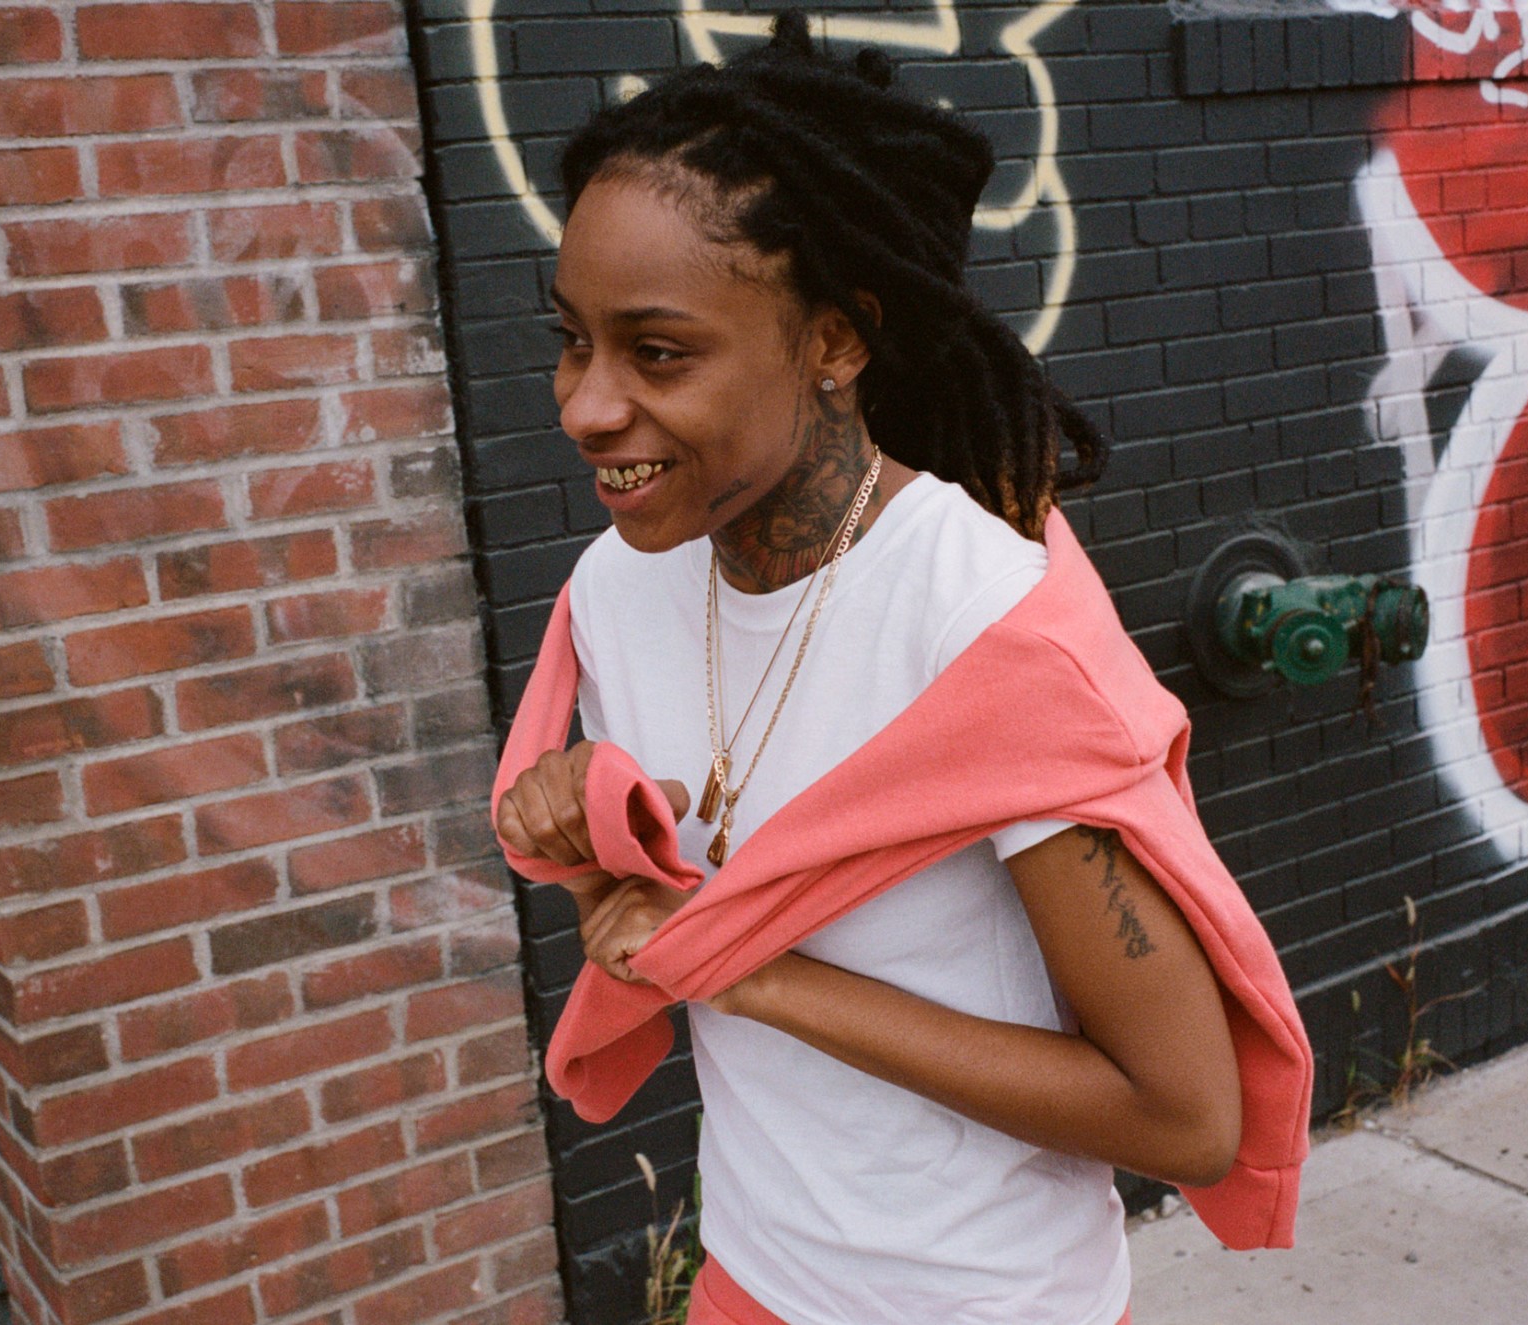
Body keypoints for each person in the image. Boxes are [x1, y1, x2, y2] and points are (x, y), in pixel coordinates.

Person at [494, 15, 1291, 1324]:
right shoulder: (620, 589)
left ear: (836, 342)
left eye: (658, 350)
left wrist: (749, 968)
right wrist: (592, 835)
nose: (585, 403)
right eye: (573, 337)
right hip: (752, 1280)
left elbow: (1186, 1110)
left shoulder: (989, 634)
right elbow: (654, 930)